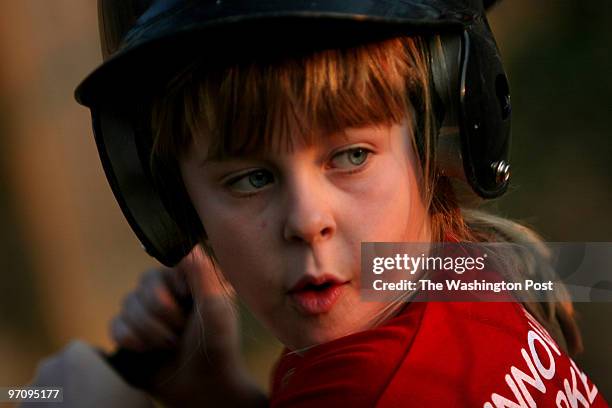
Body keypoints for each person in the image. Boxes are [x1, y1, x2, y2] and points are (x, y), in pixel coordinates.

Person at [27, 0, 609, 407]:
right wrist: (214, 394)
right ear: (175, 200)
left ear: (439, 141)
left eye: (352, 156)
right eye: (251, 179)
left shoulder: (375, 386)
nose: (307, 221)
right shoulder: (467, 272)